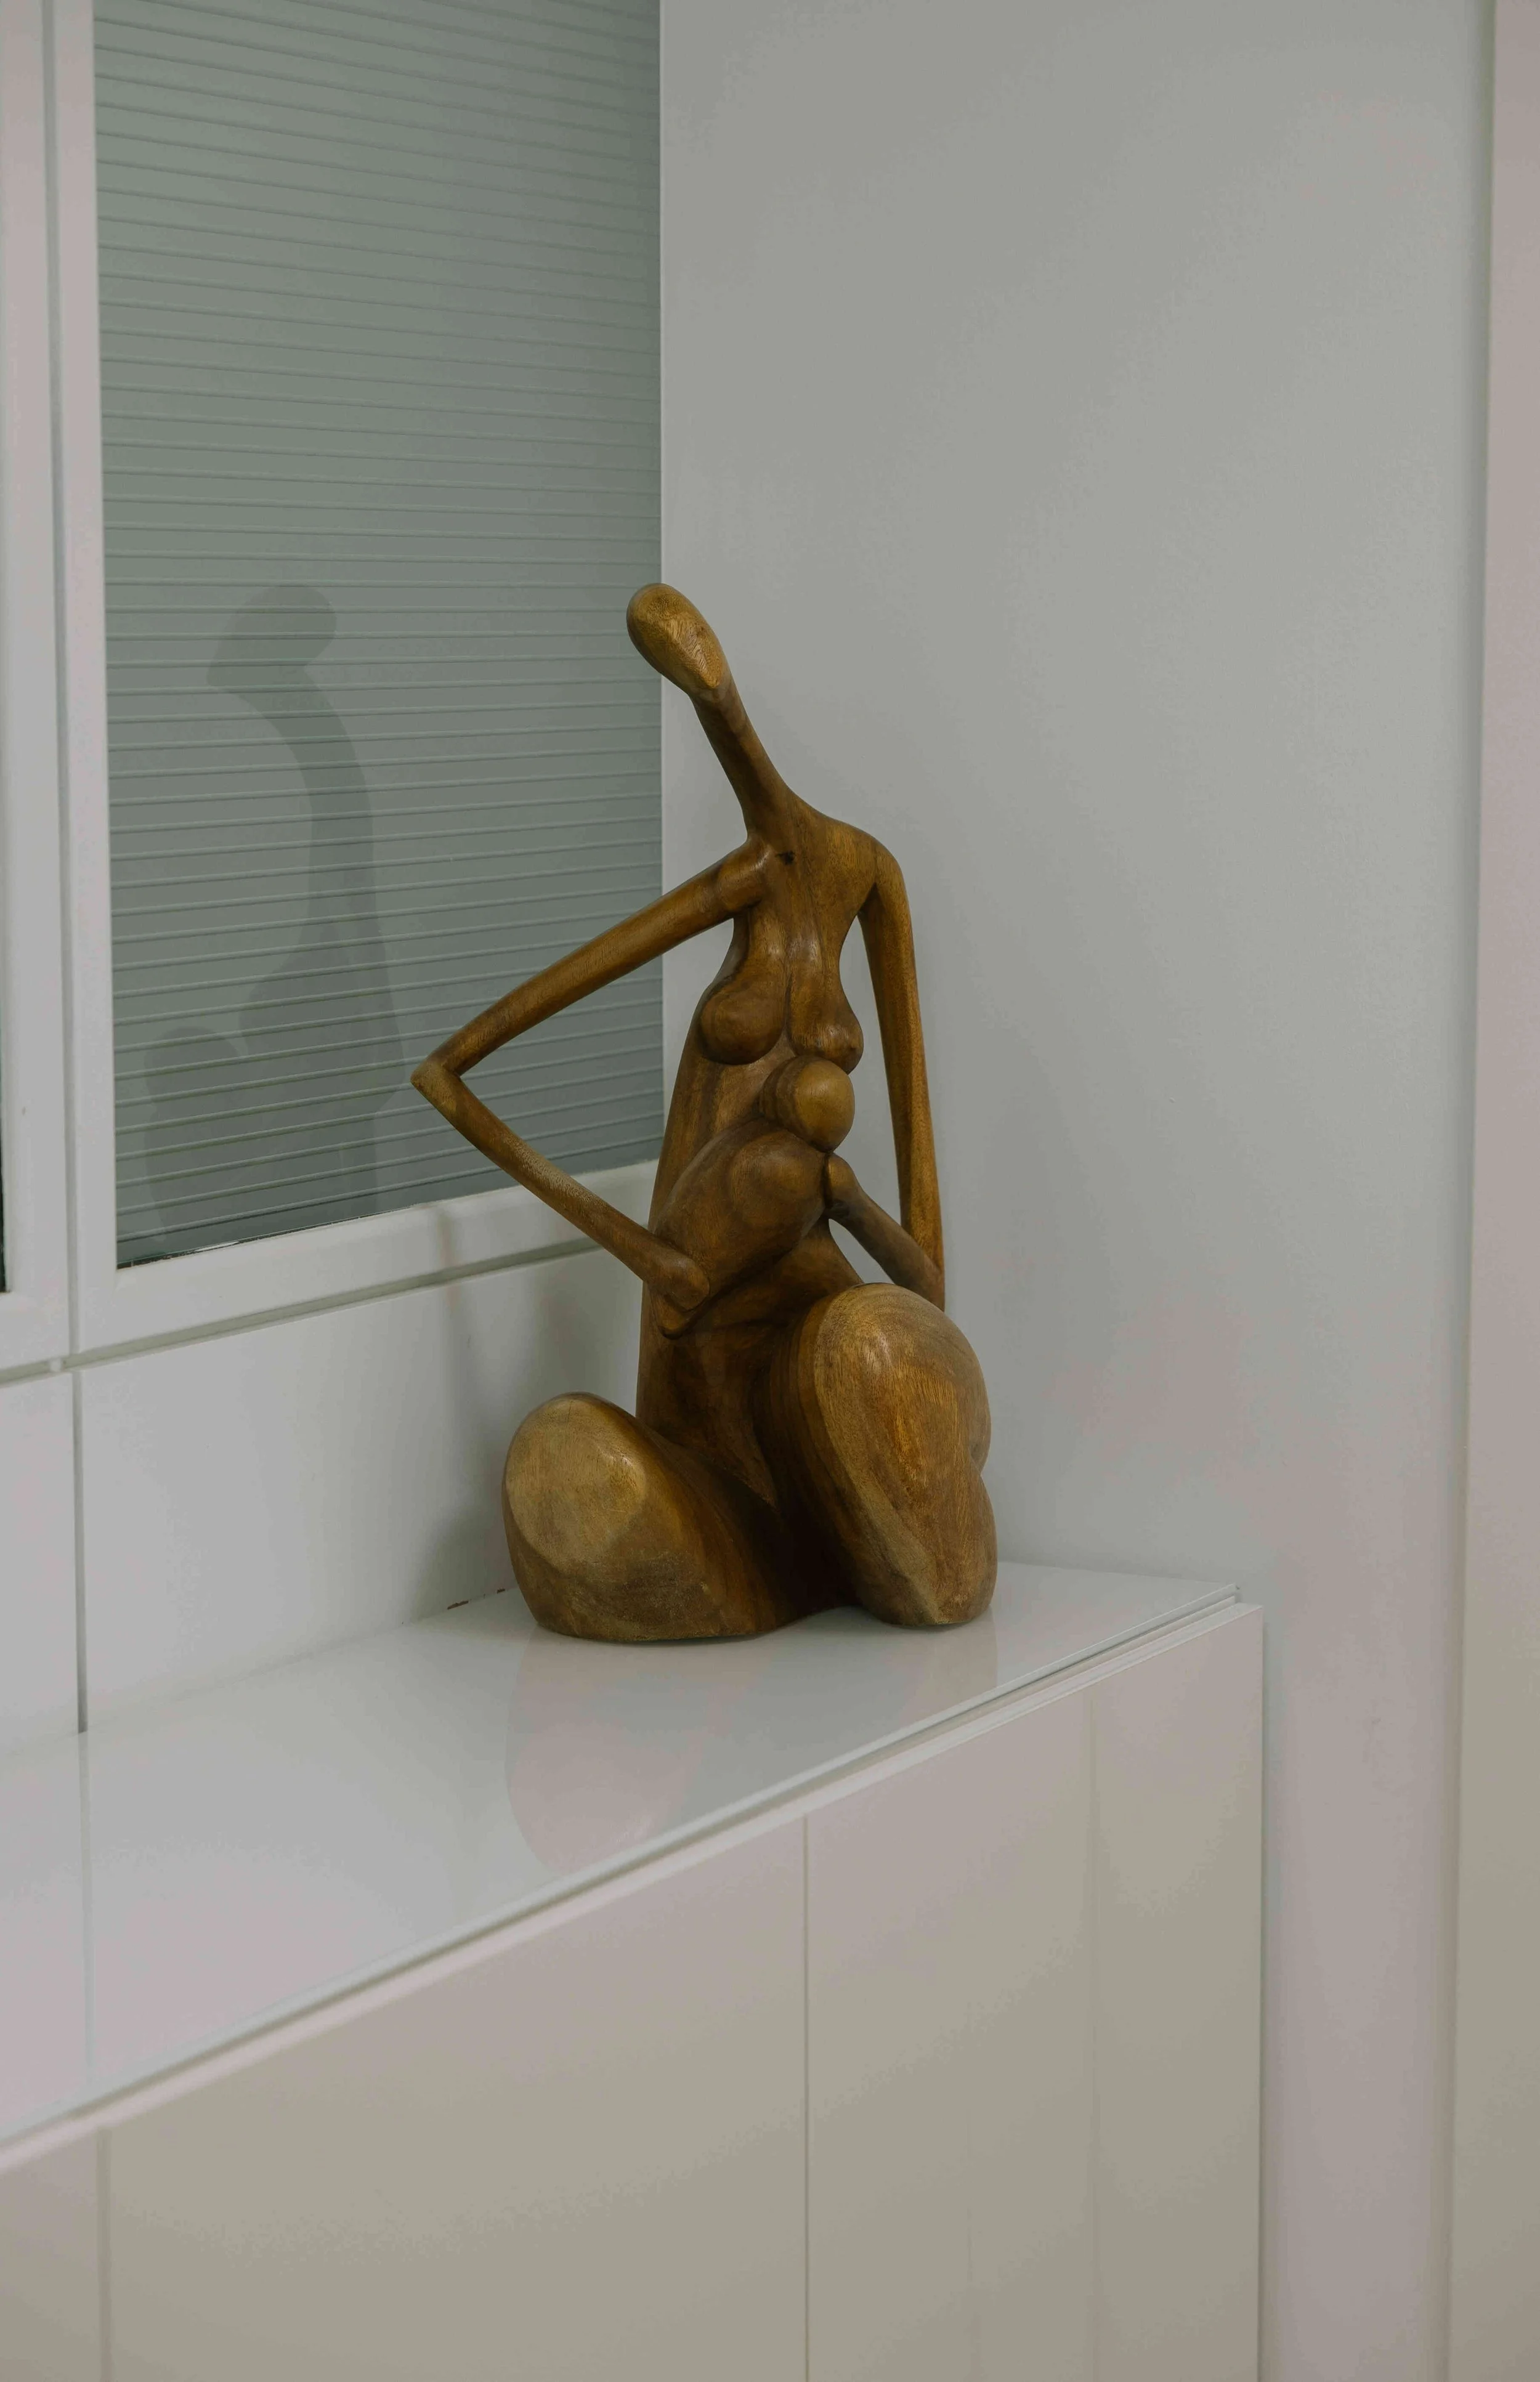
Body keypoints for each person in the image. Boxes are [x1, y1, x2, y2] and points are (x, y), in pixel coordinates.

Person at [413, 586, 995, 1640]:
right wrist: (641, 1248)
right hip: (705, 1355)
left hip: (830, 1341)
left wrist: (851, 1208)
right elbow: (453, 1070)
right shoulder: (738, 881)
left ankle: (883, 1530)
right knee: (565, 1458)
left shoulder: (865, 872)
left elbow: (929, 1272)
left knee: (863, 1350)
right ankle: (751, 1550)